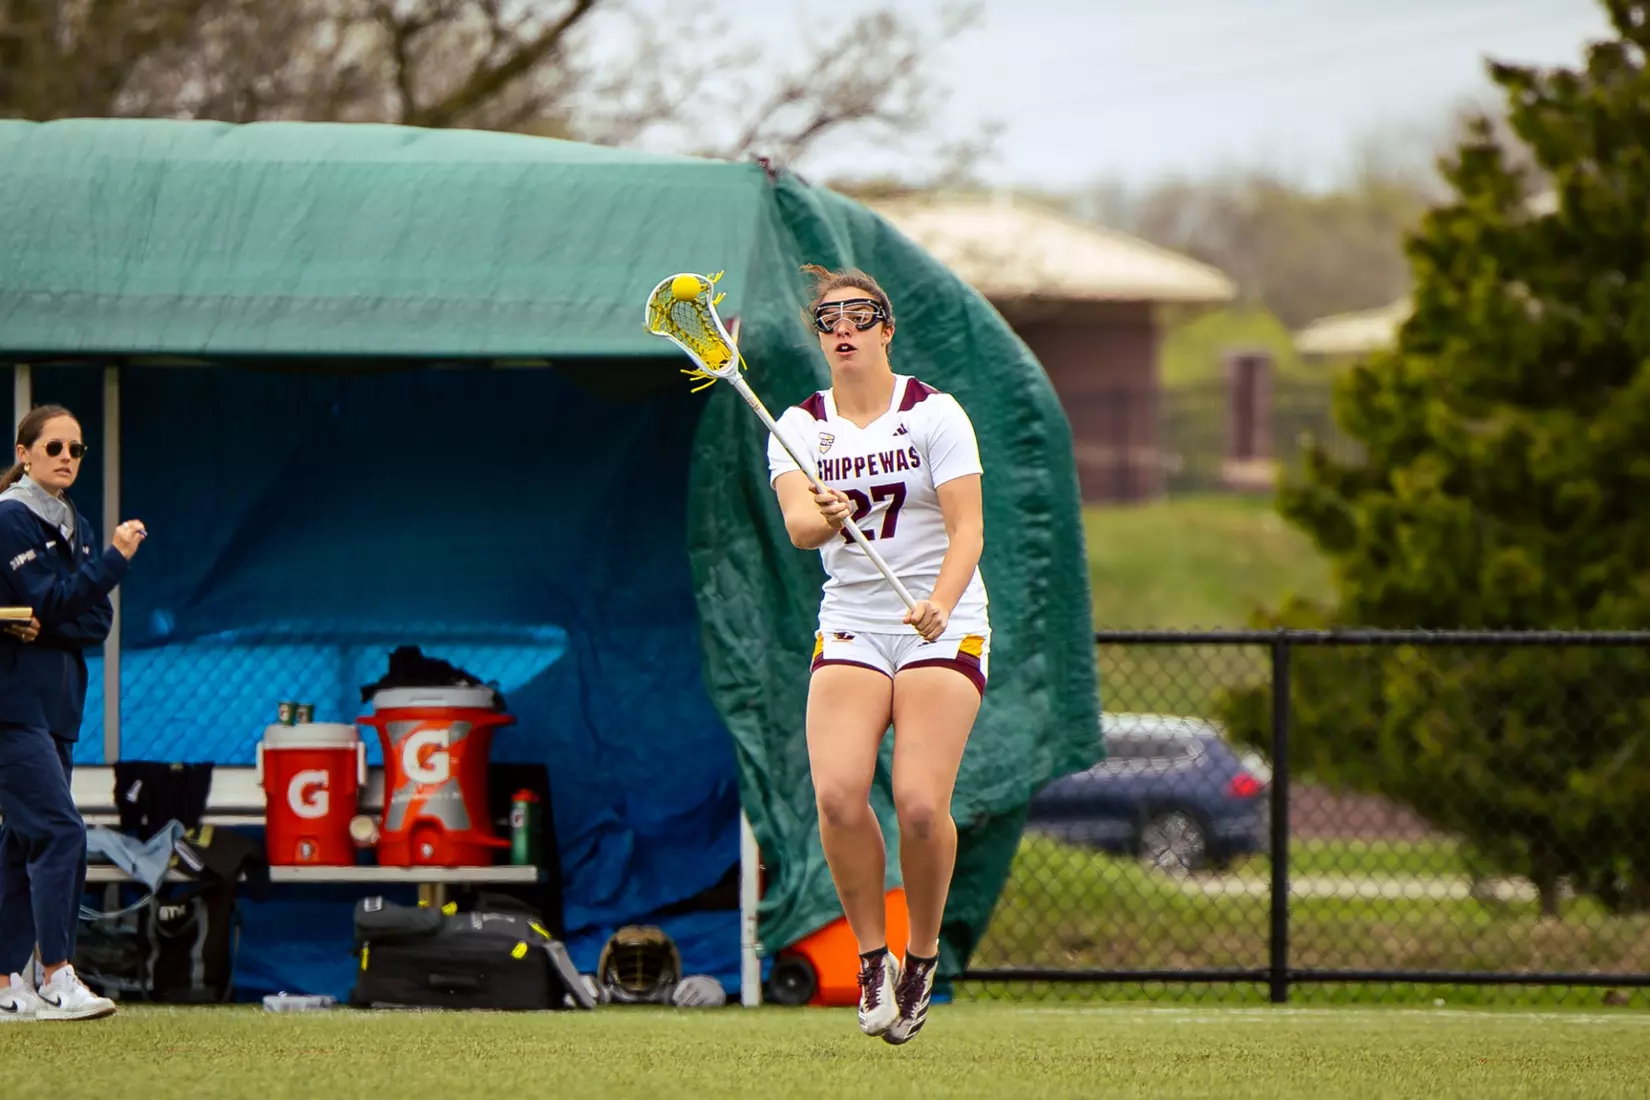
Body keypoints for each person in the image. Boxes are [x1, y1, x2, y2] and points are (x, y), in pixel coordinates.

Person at [766, 265, 990, 1046]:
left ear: (886, 328)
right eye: (829, 318)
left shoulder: (936, 415)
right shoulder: (798, 425)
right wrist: (825, 514)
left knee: (922, 804)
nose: (844, 328)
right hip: (854, 623)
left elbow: (968, 530)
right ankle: (871, 957)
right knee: (837, 794)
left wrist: (940, 599)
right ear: (820, 335)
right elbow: (799, 526)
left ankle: (921, 959)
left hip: (941, 619)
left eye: (860, 315)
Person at [0, 404, 146, 1021]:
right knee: (62, 830)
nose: (66, 457)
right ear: (25, 451)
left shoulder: (73, 521)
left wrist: (52, 617)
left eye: (76, 450)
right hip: (12, 707)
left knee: (20, 843)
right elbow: (56, 597)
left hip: (58, 709)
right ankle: (57, 974)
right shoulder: (12, 519)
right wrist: (110, 562)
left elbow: (92, 616)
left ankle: (8, 984)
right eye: (54, 447)